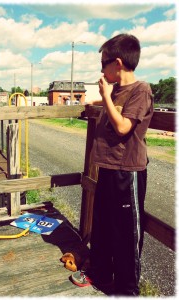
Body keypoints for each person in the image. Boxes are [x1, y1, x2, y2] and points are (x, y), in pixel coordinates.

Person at [71, 33, 154, 296]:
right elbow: (101, 103)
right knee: (103, 227)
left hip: (127, 173)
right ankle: (102, 275)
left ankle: (127, 289)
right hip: (107, 168)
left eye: (103, 63)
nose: (101, 69)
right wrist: (94, 99)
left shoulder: (142, 90)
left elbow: (122, 127)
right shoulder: (117, 90)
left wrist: (105, 95)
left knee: (127, 235)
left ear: (117, 63)